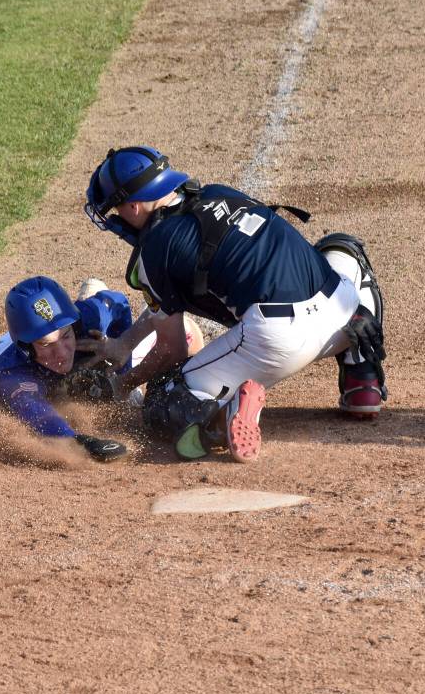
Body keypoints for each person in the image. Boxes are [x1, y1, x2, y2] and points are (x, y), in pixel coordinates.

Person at [79, 145, 386, 463]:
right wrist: (124, 344)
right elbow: (165, 307)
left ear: (133, 206)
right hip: (344, 314)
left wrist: (122, 383)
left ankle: (223, 417)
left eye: (114, 210)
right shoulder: (217, 193)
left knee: (163, 394)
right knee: (341, 249)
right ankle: (361, 378)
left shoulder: (155, 251)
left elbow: (172, 351)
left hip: (280, 342)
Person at [0, 276, 204, 462]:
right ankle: (90, 293)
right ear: (26, 348)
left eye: (66, 336)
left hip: (73, 333)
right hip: (20, 360)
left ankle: (92, 293)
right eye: (46, 344)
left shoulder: (82, 318)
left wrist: (122, 368)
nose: (61, 352)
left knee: (186, 331)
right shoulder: (11, 373)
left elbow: (118, 303)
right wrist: (78, 440)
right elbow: (35, 412)